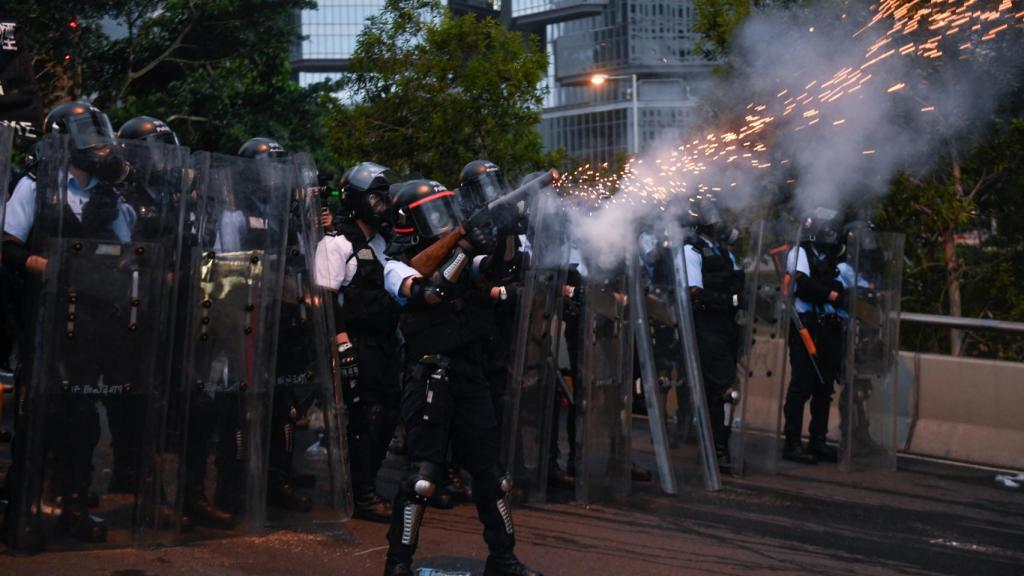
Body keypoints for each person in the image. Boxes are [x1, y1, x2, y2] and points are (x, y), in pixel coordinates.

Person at [382, 179, 541, 576]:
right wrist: (464, 243)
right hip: (428, 375)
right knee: (422, 479)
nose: (443, 221)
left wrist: (503, 231)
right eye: (433, 214)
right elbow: (429, 293)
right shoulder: (395, 264)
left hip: (471, 372)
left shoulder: (458, 252)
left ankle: (502, 558)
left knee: (492, 476)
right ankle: (397, 563)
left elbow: (495, 270)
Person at [313, 161, 402, 522]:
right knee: (367, 415)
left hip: (385, 341)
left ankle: (367, 483)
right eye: (376, 197)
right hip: (356, 342)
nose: (384, 204)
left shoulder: (382, 242)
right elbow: (324, 296)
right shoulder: (336, 244)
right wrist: (341, 341)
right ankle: (361, 494)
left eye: (385, 197)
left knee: (389, 414)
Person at [682, 195, 745, 472]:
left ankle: (713, 448)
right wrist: (728, 300)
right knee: (723, 389)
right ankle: (717, 450)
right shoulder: (691, 250)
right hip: (707, 326)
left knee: (717, 391)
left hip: (728, 326)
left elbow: (739, 279)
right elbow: (693, 293)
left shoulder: (723, 251)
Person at [781, 207, 848, 464]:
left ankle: (818, 440)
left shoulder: (828, 256)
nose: (831, 234)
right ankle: (792, 442)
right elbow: (805, 285)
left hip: (828, 326)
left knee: (824, 386)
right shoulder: (799, 252)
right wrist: (832, 295)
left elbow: (836, 282)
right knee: (802, 385)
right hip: (805, 326)